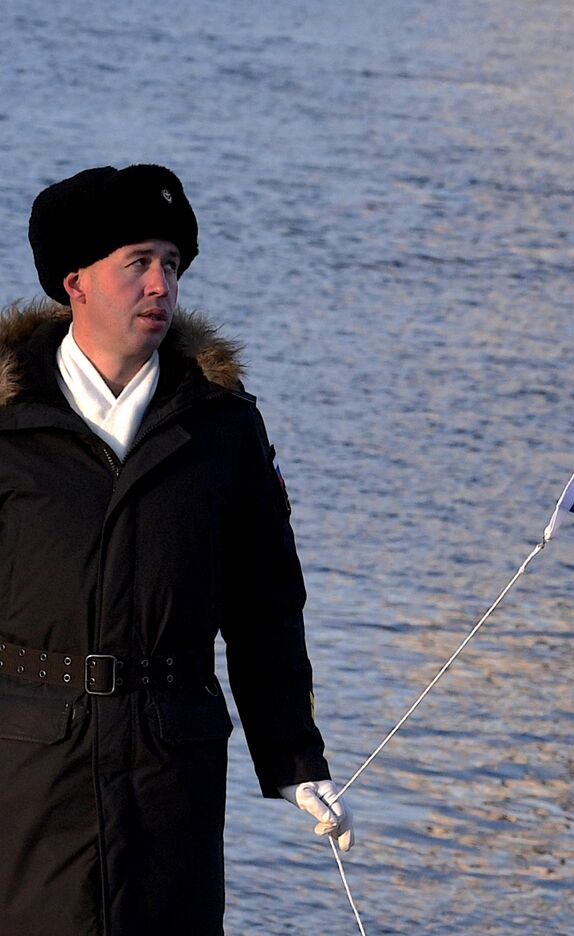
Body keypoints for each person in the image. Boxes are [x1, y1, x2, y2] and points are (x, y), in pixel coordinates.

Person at [0, 164, 355, 935]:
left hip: (171, 762)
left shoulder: (222, 427)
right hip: (27, 764)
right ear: (76, 282)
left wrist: (295, 757)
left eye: (172, 263)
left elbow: (266, 607)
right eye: (139, 263)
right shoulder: (8, 426)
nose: (162, 284)